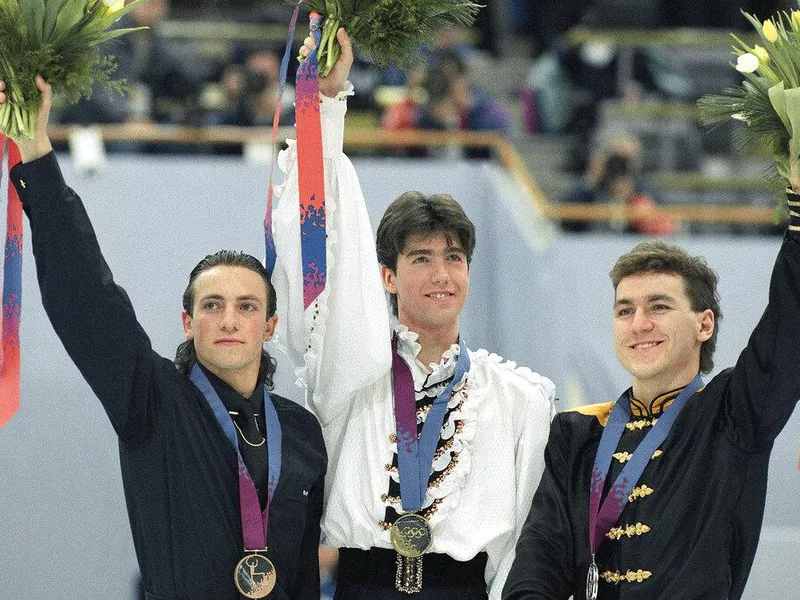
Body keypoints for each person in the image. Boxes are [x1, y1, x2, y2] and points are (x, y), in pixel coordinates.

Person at [0, 75, 325, 598]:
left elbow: (305, 577)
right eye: (211, 306)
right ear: (187, 322)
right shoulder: (153, 400)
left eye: (246, 308)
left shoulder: (302, 431)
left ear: (269, 326)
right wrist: (36, 154)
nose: (228, 320)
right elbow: (87, 298)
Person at [272, 31, 555, 598]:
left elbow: (527, 546)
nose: (441, 274)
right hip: (360, 585)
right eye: (421, 258)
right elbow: (313, 244)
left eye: (454, 258)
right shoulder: (349, 373)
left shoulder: (520, 398)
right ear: (388, 277)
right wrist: (323, 102)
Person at [503, 186, 800, 597]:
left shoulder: (733, 414)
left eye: (658, 307)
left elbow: (788, 325)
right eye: (625, 310)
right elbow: (540, 558)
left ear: (705, 325)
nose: (639, 324)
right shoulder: (577, 432)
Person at [561, 136, 677, 235]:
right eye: (616, 157)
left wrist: (638, 201)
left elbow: (668, 224)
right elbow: (565, 220)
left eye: (626, 159)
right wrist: (590, 180)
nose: (620, 165)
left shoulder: (647, 191)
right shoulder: (591, 188)